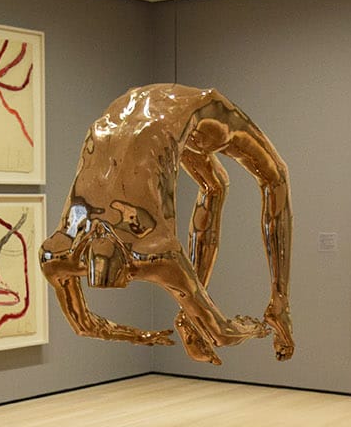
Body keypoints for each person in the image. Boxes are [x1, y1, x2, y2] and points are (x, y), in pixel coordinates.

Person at [39, 83, 293, 365]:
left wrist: (252, 327)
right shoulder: (56, 253)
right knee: (216, 185)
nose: (134, 278)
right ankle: (195, 316)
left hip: (196, 110)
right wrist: (143, 337)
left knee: (273, 175)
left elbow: (221, 335)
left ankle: (279, 304)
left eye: (130, 275)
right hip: (132, 115)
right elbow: (84, 327)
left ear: (130, 261)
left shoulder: (154, 251)